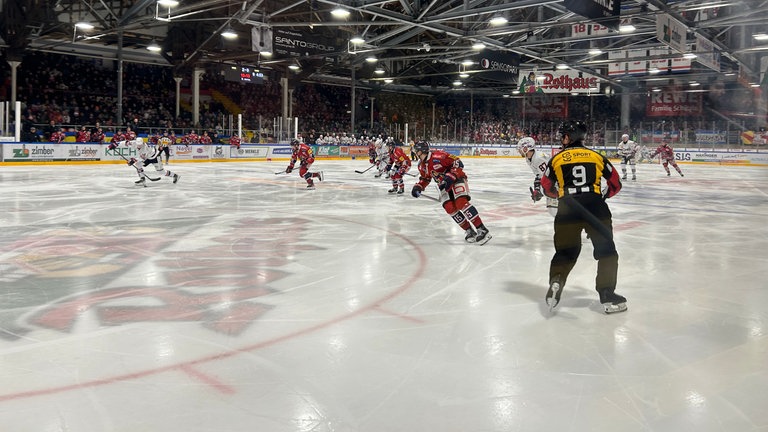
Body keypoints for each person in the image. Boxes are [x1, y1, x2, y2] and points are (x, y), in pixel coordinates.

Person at [540, 121, 626, 314]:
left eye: (562, 135)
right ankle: (607, 294)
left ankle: (557, 281)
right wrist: (602, 197)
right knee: (607, 252)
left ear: (568, 138)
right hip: (595, 206)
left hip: (567, 207)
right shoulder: (597, 156)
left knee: (565, 252)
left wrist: (559, 195)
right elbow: (615, 184)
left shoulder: (557, 159)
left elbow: (546, 186)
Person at [411, 140, 491, 245]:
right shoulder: (421, 165)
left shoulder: (439, 156)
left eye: (416, 150)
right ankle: (468, 230)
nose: (415, 152)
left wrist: (451, 176)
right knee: (449, 207)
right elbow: (425, 179)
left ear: (421, 151)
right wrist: (419, 186)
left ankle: (482, 229)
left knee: (460, 202)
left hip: (456, 179)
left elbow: (458, 162)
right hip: (443, 185)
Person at [108, 137, 180, 186]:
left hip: (155, 158)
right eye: (138, 145)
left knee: (161, 172)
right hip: (147, 157)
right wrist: (115, 144)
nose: (138, 146)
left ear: (142, 143)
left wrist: (133, 160)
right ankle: (142, 179)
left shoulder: (145, 148)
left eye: (140, 145)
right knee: (138, 164)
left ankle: (175, 175)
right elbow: (125, 143)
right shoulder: (134, 143)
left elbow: (142, 157)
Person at [517, 136, 557, 217]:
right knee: (552, 210)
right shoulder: (530, 158)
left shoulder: (539, 158)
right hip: (554, 184)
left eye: (520, 148)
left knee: (553, 210)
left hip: (557, 185)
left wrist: (541, 191)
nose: (519, 151)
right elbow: (540, 175)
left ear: (526, 148)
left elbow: (549, 177)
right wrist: (537, 189)